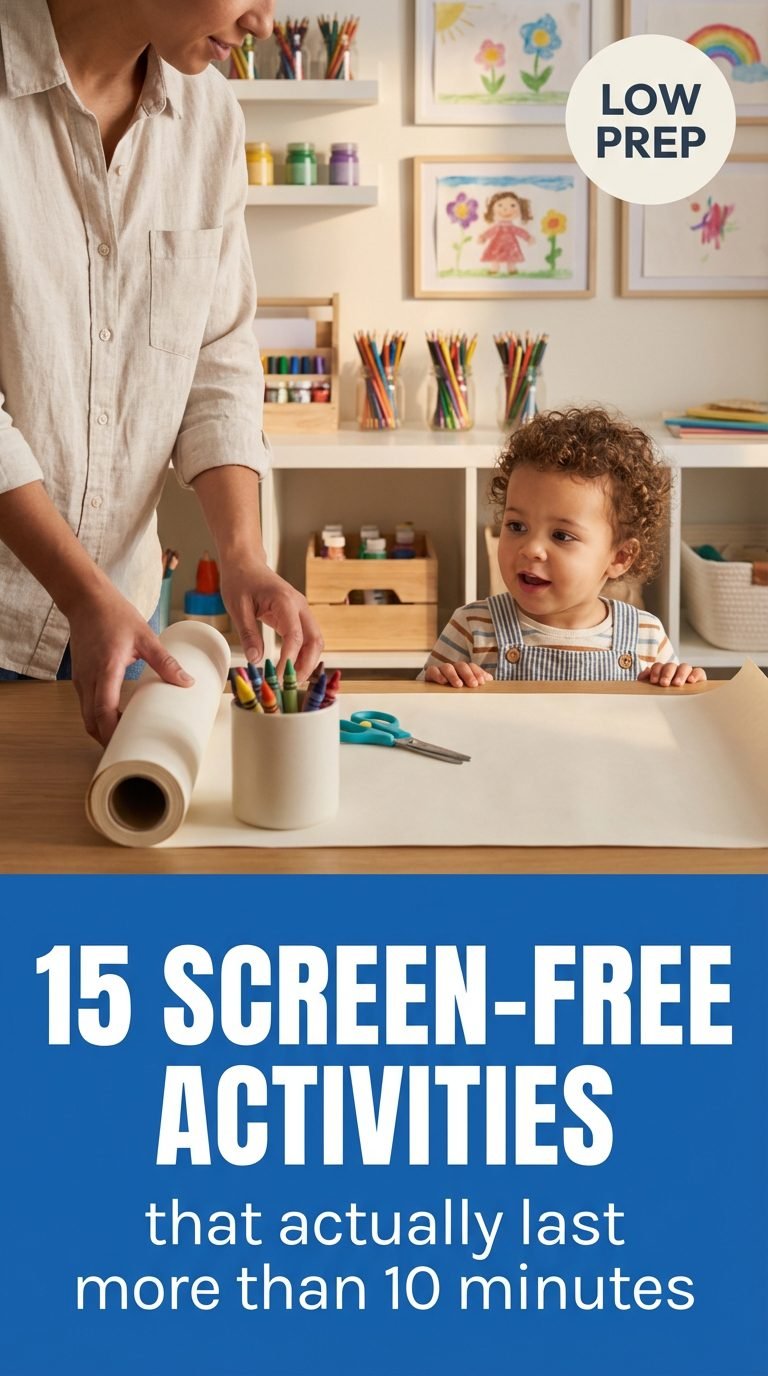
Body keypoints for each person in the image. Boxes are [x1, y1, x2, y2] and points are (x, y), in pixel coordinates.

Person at [0, 0, 323, 744]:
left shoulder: (209, 117)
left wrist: (242, 557)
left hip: (123, 615)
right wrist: (84, 597)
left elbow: (218, 356)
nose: (264, 23)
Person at [422, 406, 706, 687]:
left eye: (561, 535)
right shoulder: (472, 627)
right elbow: (421, 711)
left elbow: (671, 716)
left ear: (620, 556)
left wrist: (685, 683)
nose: (531, 548)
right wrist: (441, 682)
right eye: (516, 526)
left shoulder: (648, 636)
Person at [476, 191, 534, 276]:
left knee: (511, 257)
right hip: (497, 244)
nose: (506, 209)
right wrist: (483, 237)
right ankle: (494, 269)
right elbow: (490, 231)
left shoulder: (511, 227)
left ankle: (512, 270)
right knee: (495, 256)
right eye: (500, 205)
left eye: (512, 205)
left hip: (510, 245)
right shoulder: (497, 227)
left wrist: (527, 237)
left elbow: (519, 231)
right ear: (492, 209)